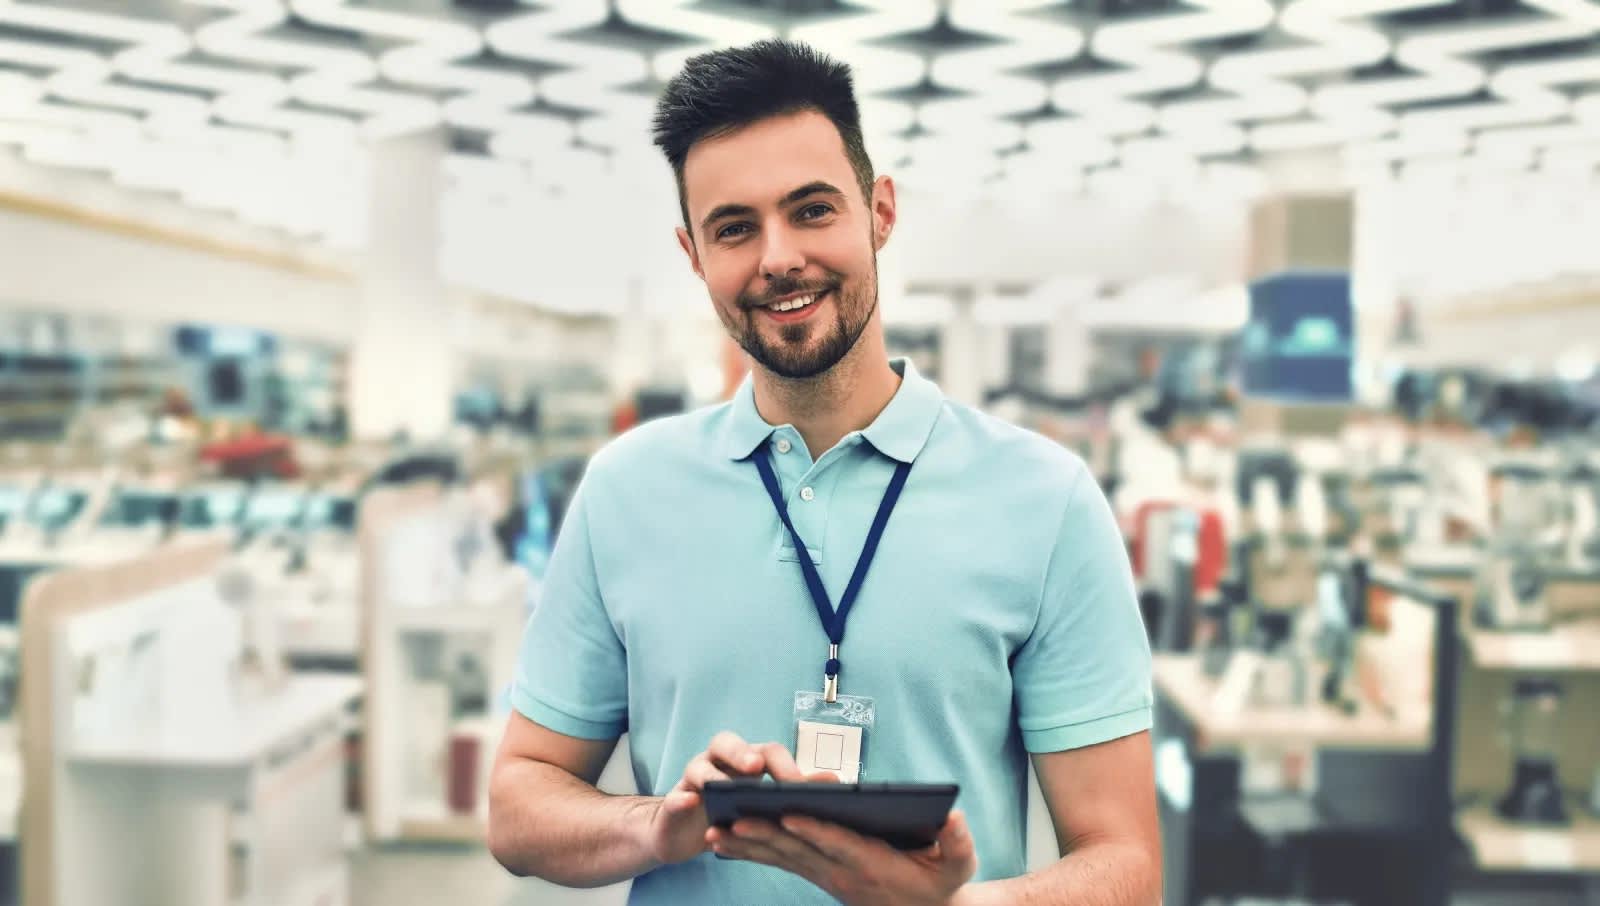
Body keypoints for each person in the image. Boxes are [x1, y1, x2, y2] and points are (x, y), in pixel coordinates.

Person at [488, 39, 1159, 905]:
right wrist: (655, 824)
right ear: (695, 254)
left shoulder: (1046, 503)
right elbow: (518, 803)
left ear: (880, 212)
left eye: (812, 210)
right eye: (735, 228)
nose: (777, 258)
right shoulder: (626, 492)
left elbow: (1128, 866)